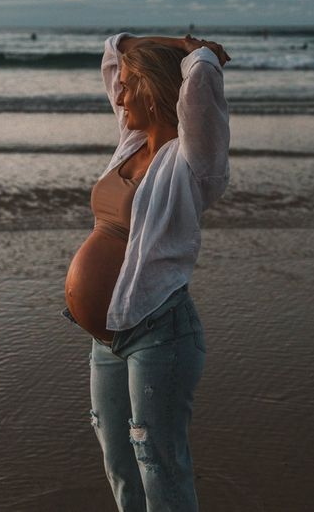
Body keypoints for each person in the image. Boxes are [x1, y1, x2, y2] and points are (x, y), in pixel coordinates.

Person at [63, 31, 230, 512]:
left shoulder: (193, 163)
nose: (118, 94)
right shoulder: (131, 141)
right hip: (107, 337)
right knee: (118, 460)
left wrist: (194, 51)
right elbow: (115, 50)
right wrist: (167, 41)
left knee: (158, 462)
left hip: (159, 334)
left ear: (156, 93)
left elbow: (200, 74)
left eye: (131, 86)